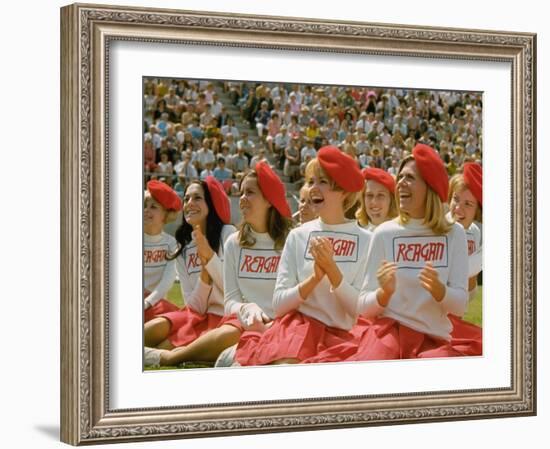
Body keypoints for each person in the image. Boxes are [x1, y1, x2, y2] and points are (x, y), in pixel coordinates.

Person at [236, 146, 371, 365]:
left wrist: (333, 272)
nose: (313, 189)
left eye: (323, 182)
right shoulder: (298, 236)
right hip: (298, 329)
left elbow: (361, 311)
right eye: (310, 182)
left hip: (343, 338)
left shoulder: (368, 240)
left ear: (344, 191)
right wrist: (314, 279)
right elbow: (279, 304)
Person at [351, 143, 479, 360]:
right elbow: (364, 306)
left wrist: (440, 290)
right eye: (400, 177)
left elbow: (460, 305)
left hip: (433, 339)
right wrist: (384, 293)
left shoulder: (454, 234)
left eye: (409, 177)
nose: (400, 183)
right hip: (387, 334)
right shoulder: (384, 233)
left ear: (429, 186)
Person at [143, 177, 240, 366]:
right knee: (152, 330)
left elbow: (233, 290)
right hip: (196, 316)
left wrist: (209, 259)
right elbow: (192, 305)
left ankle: (166, 356)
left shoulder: (228, 234)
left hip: (225, 317)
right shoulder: (183, 249)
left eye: (197, 198)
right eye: (186, 198)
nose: (189, 204)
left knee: (165, 346)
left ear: (210, 204)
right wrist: (205, 277)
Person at [223, 162, 293, 365]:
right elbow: (229, 302)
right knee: (225, 334)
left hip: (284, 325)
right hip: (244, 322)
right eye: (241, 192)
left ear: (269, 200)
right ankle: (164, 356)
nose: (242, 199)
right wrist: (247, 309)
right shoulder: (233, 243)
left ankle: (232, 357)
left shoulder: (292, 240)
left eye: (250, 192)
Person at [143, 181, 182, 322]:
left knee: (179, 320)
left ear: (165, 216)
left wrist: (147, 302)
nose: (146, 210)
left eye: (153, 207)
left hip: (156, 302)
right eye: (144, 206)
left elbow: (168, 280)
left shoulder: (171, 244)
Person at [355, 167, 397, 232]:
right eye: (369, 195)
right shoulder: (357, 233)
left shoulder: (400, 234)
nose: (374, 202)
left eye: (380, 195)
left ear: (391, 200)